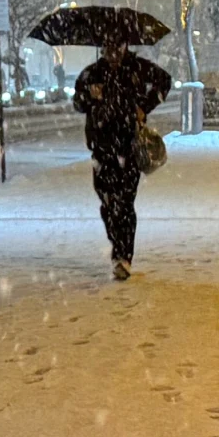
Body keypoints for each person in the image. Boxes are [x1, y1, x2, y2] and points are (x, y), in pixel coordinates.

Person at [72, 32, 172, 281]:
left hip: (129, 145)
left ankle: (123, 256)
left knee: (125, 203)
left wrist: (144, 106)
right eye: (107, 47)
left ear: (125, 46)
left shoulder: (138, 68)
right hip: (101, 147)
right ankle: (117, 242)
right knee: (107, 203)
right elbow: (77, 103)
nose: (112, 52)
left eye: (117, 47)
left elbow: (164, 81)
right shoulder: (92, 73)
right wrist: (89, 97)